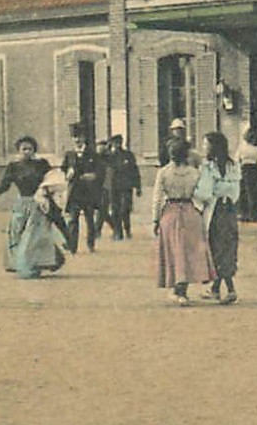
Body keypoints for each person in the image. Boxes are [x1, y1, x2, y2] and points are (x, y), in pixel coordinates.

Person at [0, 136, 63, 279]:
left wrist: (46, 193)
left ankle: (31, 266)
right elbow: (5, 184)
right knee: (17, 233)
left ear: (34, 150)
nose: (27, 152)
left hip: (38, 204)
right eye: (24, 149)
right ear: (19, 150)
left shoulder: (41, 164)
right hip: (22, 204)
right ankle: (19, 263)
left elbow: (52, 179)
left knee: (33, 236)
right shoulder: (13, 167)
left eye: (30, 149)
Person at [151, 134, 213, 306]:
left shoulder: (163, 173)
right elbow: (204, 196)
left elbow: (156, 198)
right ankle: (182, 290)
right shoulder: (195, 173)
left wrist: (155, 220)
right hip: (190, 212)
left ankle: (177, 290)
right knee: (187, 252)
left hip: (170, 212)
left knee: (174, 251)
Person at [193, 131, 243, 304]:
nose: (203, 147)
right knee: (227, 248)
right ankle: (215, 289)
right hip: (229, 210)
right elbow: (235, 193)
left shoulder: (207, 167)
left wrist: (194, 192)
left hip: (215, 212)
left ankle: (230, 289)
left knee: (216, 249)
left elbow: (204, 193)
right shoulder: (233, 165)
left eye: (206, 144)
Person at [60, 122, 103, 253]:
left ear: (84, 138)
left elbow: (100, 171)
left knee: (89, 218)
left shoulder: (92, 154)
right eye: (74, 137)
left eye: (79, 136)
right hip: (74, 191)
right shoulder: (69, 154)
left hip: (88, 191)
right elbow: (63, 169)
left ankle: (91, 243)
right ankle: (72, 246)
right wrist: (67, 173)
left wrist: (93, 176)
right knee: (73, 219)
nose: (77, 140)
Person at [99, 135, 141, 240]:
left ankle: (127, 229)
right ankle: (118, 232)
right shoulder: (109, 156)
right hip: (113, 187)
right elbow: (100, 158)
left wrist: (138, 186)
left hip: (126, 186)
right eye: (115, 143)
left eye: (119, 143)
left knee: (125, 209)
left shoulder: (128, 155)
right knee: (115, 210)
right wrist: (107, 147)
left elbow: (134, 171)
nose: (117, 145)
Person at [235, 125, 257, 221]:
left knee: (244, 193)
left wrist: (237, 172)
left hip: (244, 170)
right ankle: (255, 215)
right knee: (254, 193)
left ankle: (244, 214)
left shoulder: (241, 148)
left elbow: (236, 160)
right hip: (254, 171)